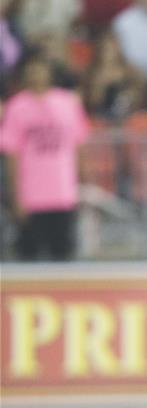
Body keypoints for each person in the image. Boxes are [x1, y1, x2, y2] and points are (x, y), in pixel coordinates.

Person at [0, 52, 89, 261]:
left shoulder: (68, 103)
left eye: (40, 69)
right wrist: (16, 196)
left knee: (64, 256)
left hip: (63, 193)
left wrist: (81, 185)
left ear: (49, 71)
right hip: (31, 196)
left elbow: (78, 147)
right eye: (31, 70)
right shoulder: (16, 106)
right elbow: (12, 154)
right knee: (29, 257)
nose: (36, 74)